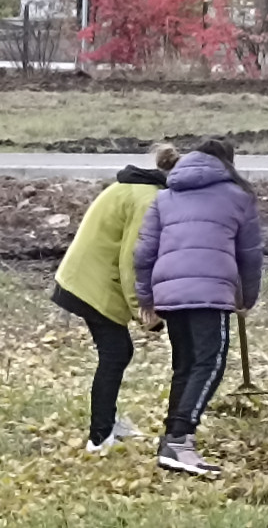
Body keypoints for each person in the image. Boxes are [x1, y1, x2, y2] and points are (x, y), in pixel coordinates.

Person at [134, 138, 262, 476]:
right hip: (210, 292)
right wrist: (247, 299)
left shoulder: (165, 196)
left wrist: (146, 299)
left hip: (170, 293)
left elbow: (144, 253)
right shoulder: (239, 197)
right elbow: (249, 255)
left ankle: (171, 442)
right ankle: (179, 441)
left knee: (186, 365)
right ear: (228, 164)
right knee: (210, 364)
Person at [52, 144, 182, 455]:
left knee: (118, 353)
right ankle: (99, 438)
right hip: (91, 284)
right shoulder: (148, 200)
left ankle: (107, 422)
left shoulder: (137, 188)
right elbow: (133, 261)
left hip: (84, 278)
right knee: (115, 354)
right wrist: (143, 309)